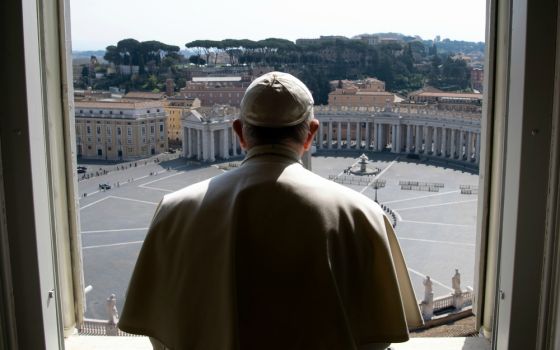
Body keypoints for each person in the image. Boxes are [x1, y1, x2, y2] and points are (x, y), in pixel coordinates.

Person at [118, 72, 423, 350]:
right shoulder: (365, 216)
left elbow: (160, 337)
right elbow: (378, 341)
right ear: (311, 134)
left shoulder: (173, 210)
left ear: (239, 132)